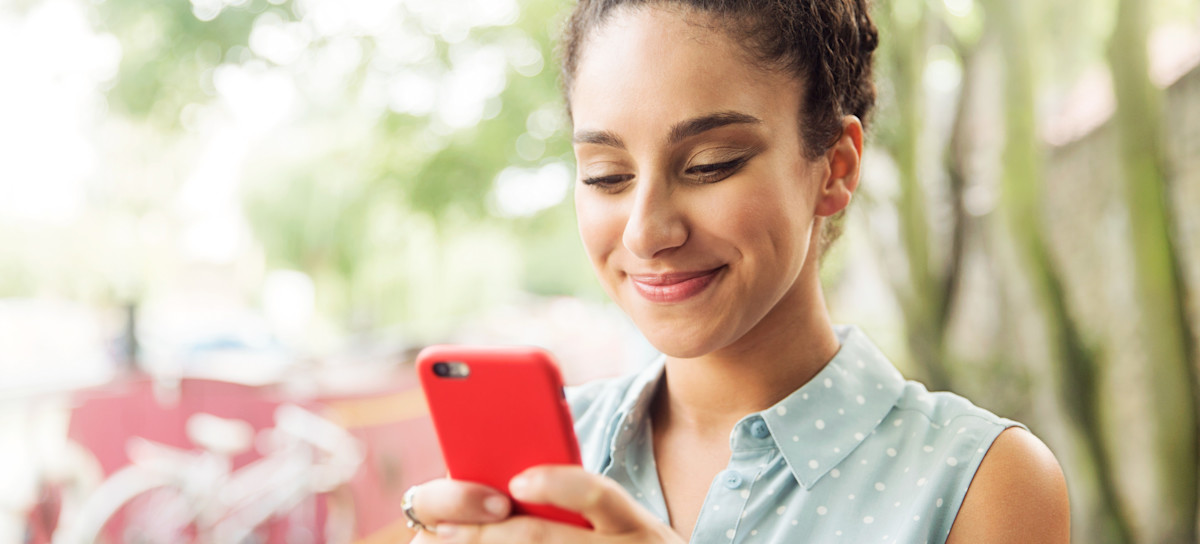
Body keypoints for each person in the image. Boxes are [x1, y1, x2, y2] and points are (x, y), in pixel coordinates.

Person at [402, 0, 1071, 542]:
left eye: (710, 164)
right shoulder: (542, 464)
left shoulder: (981, 483)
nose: (646, 231)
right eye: (606, 176)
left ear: (835, 169)